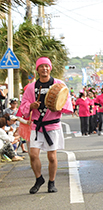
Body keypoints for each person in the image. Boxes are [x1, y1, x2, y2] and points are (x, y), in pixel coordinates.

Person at [19, 57, 72, 194]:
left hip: (52, 126)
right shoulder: (31, 87)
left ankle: (52, 182)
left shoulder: (59, 84)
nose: (44, 69)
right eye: (41, 66)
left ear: (50, 68)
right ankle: (39, 179)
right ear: (37, 69)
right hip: (37, 126)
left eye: (46, 66)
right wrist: (31, 106)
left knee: (52, 156)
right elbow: (23, 104)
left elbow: (66, 100)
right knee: (33, 154)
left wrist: (58, 107)